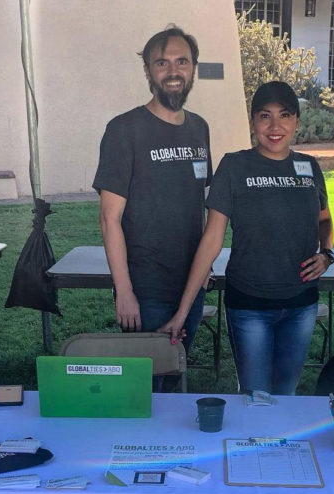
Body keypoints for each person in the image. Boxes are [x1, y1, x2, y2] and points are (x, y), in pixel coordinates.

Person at [161, 81, 333, 395]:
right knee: (255, 398)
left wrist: (327, 253)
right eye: (265, 116)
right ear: (253, 121)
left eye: (285, 115)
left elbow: (324, 219)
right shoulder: (234, 166)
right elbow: (212, 240)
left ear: (296, 120)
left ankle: (281, 446)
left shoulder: (308, 167)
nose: (275, 126)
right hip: (249, 306)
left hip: (301, 305)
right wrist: (182, 311)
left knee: (287, 394)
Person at [92, 25, 211, 361]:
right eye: (162, 63)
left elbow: (198, 205)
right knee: (147, 386)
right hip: (146, 290)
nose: (173, 72)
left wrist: (202, 275)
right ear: (147, 70)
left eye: (181, 62)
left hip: (191, 285)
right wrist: (125, 292)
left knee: (176, 375)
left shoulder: (200, 128)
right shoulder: (124, 130)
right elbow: (108, 219)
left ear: (192, 69)